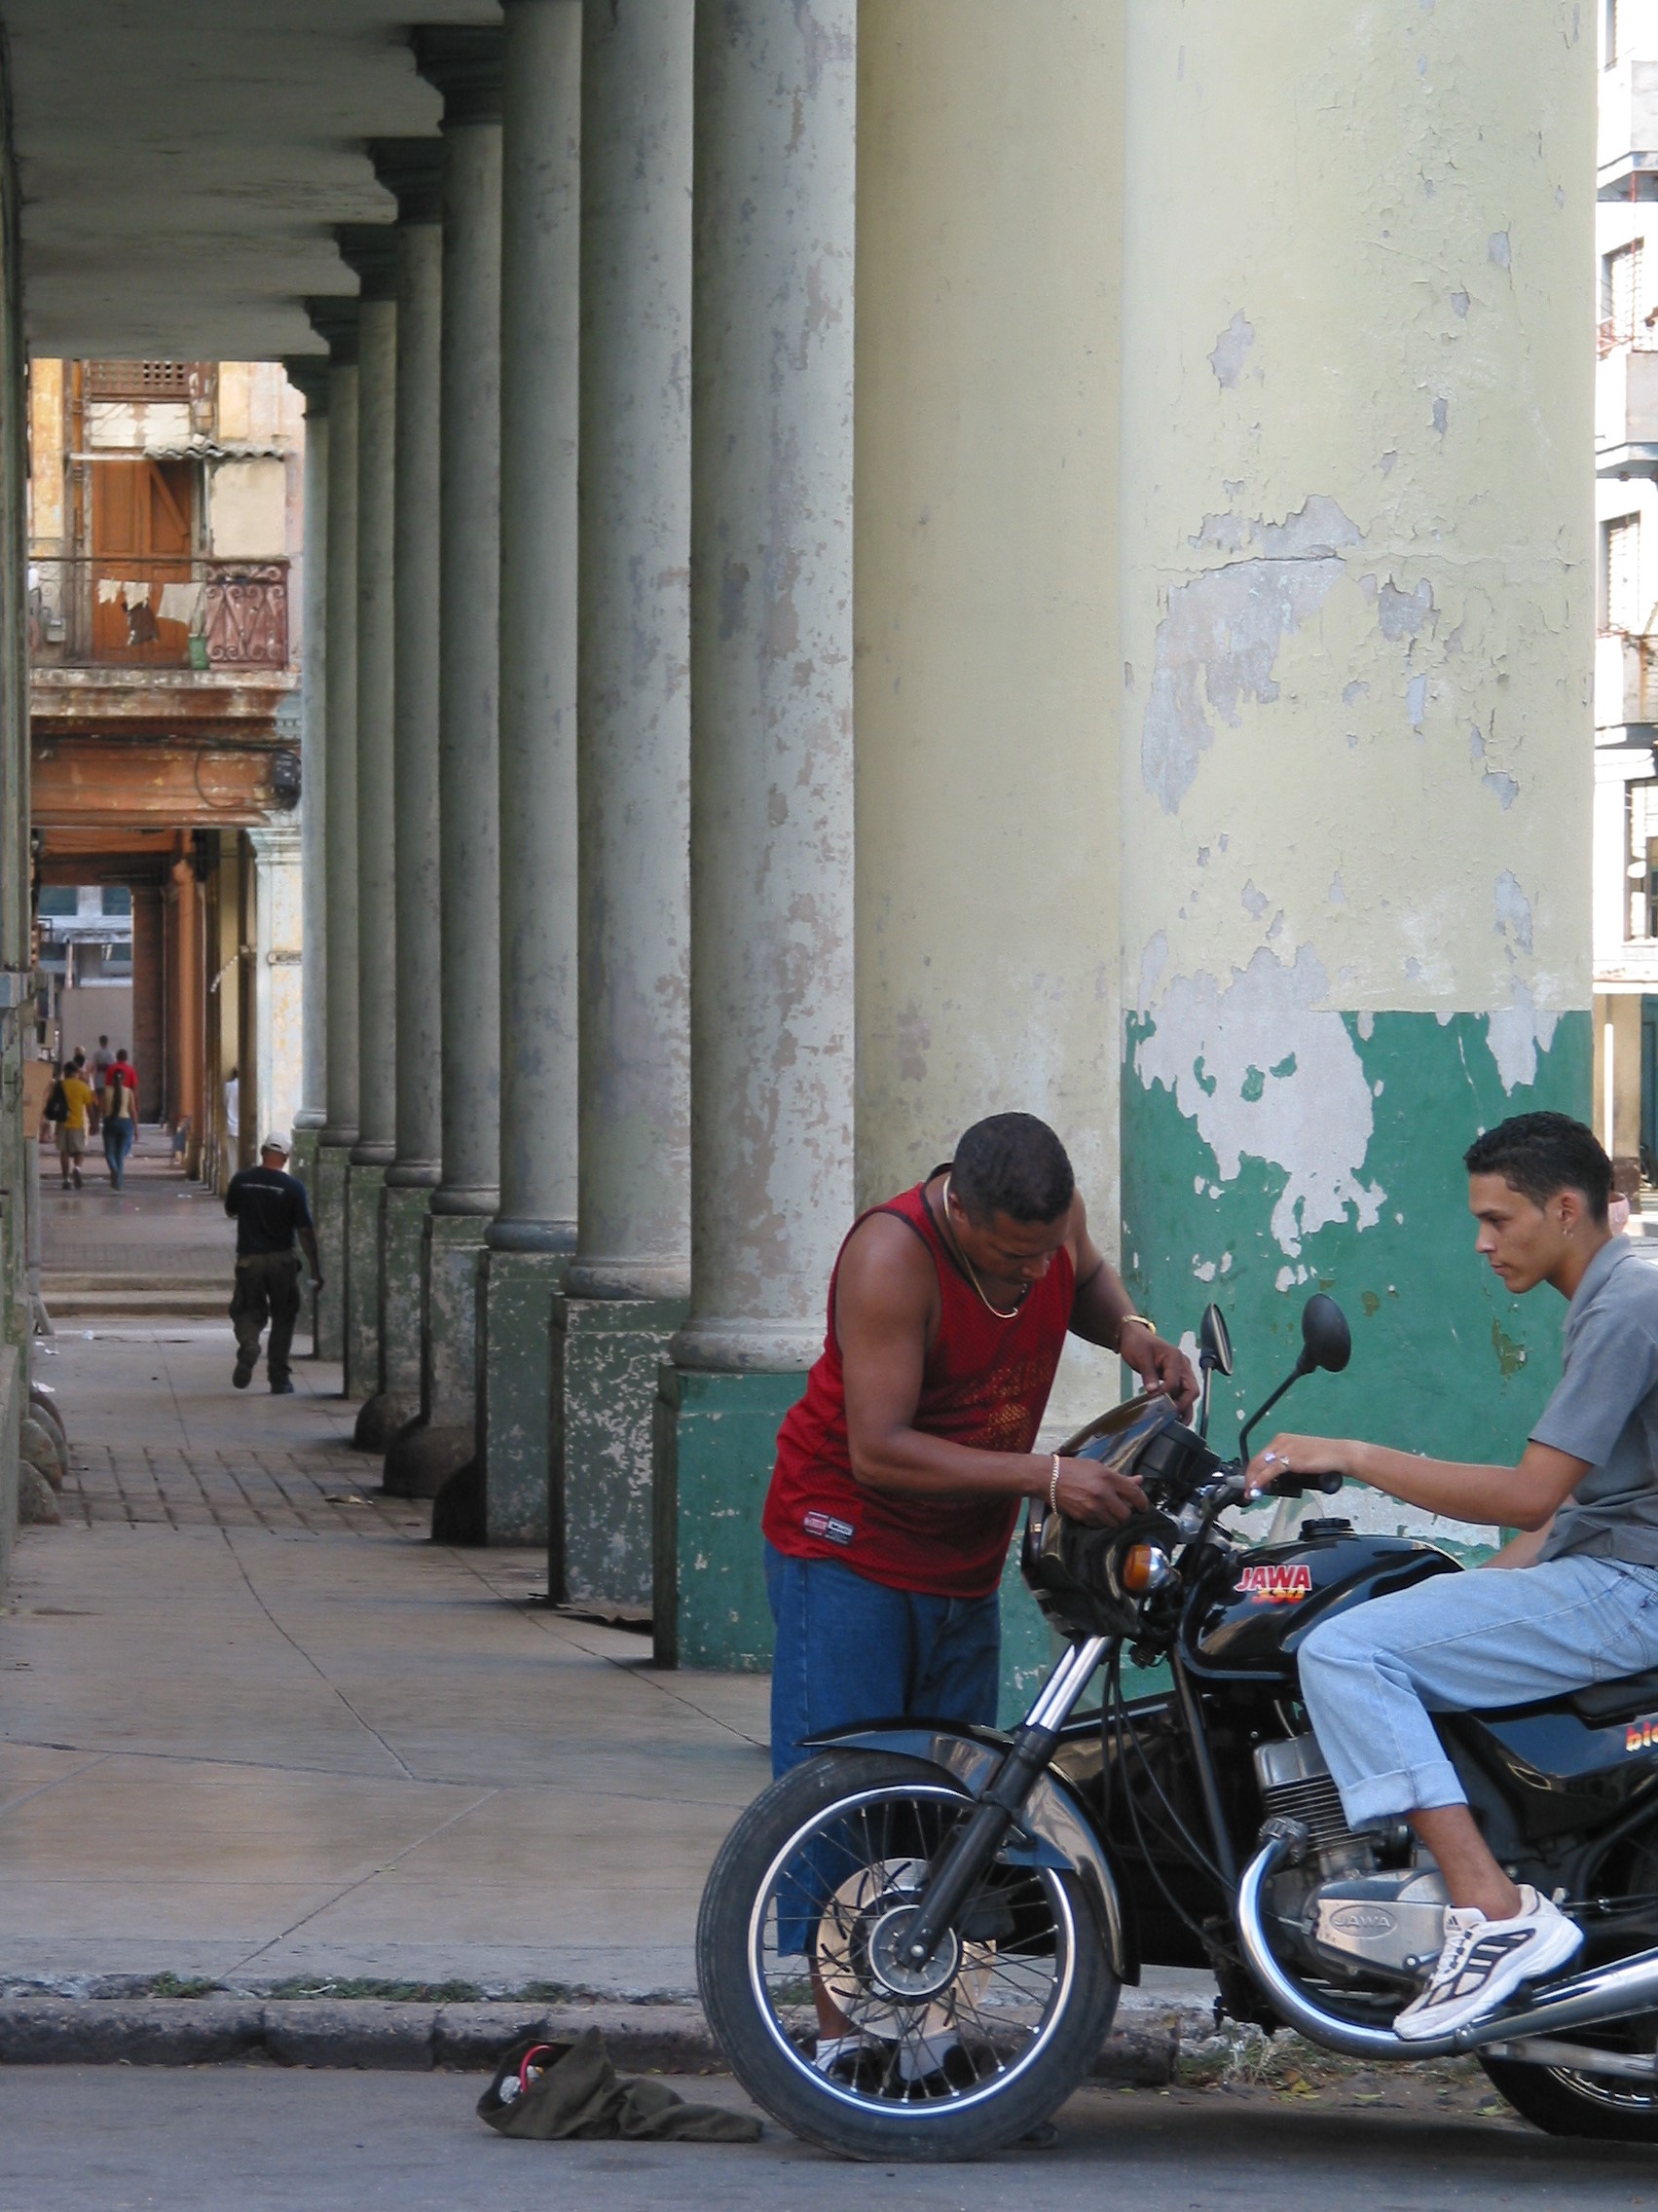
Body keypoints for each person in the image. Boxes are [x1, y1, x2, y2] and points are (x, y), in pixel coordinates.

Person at [761, 1111, 1197, 2078]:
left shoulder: (1050, 1229)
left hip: (959, 1559)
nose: (1022, 1279)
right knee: (846, 1798)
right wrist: (1044, 1476)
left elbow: (1080, 1278)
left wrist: (1131, 1332)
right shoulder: (892, 1258)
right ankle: (842, 2046)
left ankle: (924, 2039)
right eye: (1005, 1262)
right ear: (958, 1204)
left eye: (1034, 1257)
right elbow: (877, 1448)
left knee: (956, 1806)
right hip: (846, 1550)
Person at [1246, 1111, 1658, 2043]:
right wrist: (1470, 1591)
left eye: (1498, 1222)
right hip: (1611, 1565)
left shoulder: (1624, 1303)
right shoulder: (1613, 1292)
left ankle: (1494, 1912)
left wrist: (1349, 1451)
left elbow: (1527, 1494)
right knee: (1399, 1611)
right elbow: (1560, 1515)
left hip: (1634, 1588)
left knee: (1344, 1650)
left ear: (1564, 1208)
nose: (1481, 1244)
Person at [225, 1134, 322, 1395]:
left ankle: (249, 1343)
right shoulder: (292, 1188)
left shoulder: (242, 1181)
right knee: (284, 1317)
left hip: (250, 1260)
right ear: (286, 1158)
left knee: (246, 1310)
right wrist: (315, 1268)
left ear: (262, 1152)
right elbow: (305, 1231)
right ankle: (279, 1378)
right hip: (282, 1261)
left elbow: (231, 1210)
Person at [55, 1056, 96, 1189]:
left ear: (65, 1072)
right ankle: (77, 1168)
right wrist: (94, 1123)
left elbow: (52, 1103)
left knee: (64, 1152)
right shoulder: (83, 1087)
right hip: (77, 1124)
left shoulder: (59, 1086)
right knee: (79, 1151)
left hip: (62, 1123)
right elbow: (89, 1107)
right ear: (76, 1072)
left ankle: (66, 1180)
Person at [101, 1049, 137, 1190]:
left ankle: (114, 1172)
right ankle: (119, 1182)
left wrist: (96, 1122)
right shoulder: (128, 1091)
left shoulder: (106, 1090)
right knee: (120, 1154)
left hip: (110, 1122)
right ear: (123, 1080)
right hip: (125, 1123)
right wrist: (136, 1128)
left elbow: (102, 1108)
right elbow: (132, 1110)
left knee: (109, 1153)